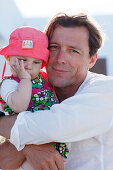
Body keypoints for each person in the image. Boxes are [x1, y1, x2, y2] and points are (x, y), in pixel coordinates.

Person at [0, 12, 113, 170]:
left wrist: (18, 136)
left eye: (73, 51)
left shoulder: (106, 90)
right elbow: (3, 161)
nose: (60, 58)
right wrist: (29, 148)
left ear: (92, 59)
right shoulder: (36, 92)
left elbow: (53, 126)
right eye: (54, 47)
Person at [0, 26, 68, 170]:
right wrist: (25, 80)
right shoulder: (10, 84)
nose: (29, 67)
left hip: (51, 140)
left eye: (36, 62)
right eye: (23, 60)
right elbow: (19, 106)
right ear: (8, 59)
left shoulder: (44, 78)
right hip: (25, 143)